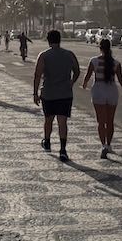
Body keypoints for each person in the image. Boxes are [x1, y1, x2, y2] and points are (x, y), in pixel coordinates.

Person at [33, 30, 80, 162]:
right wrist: (71, 82)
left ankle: (47, 141)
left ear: (48, 41)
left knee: (48, 119)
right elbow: (77, 71)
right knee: (62, 122)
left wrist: (35, 93)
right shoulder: (69, 54)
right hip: (65, 93)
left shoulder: (44, 55)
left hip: (48, 93)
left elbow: (37, 75)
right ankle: (63, 149)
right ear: (60, 40)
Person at [82, 38, 122, 159]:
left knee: (101, 121)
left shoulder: (94, 61)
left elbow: (87, 76)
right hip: (111, 90)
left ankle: (103, 145)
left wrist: (84, 84)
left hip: (98, 90)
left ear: (100, 48)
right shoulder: (116, 63)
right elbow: (121, 79)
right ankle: (109, 144)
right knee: (110, 121)